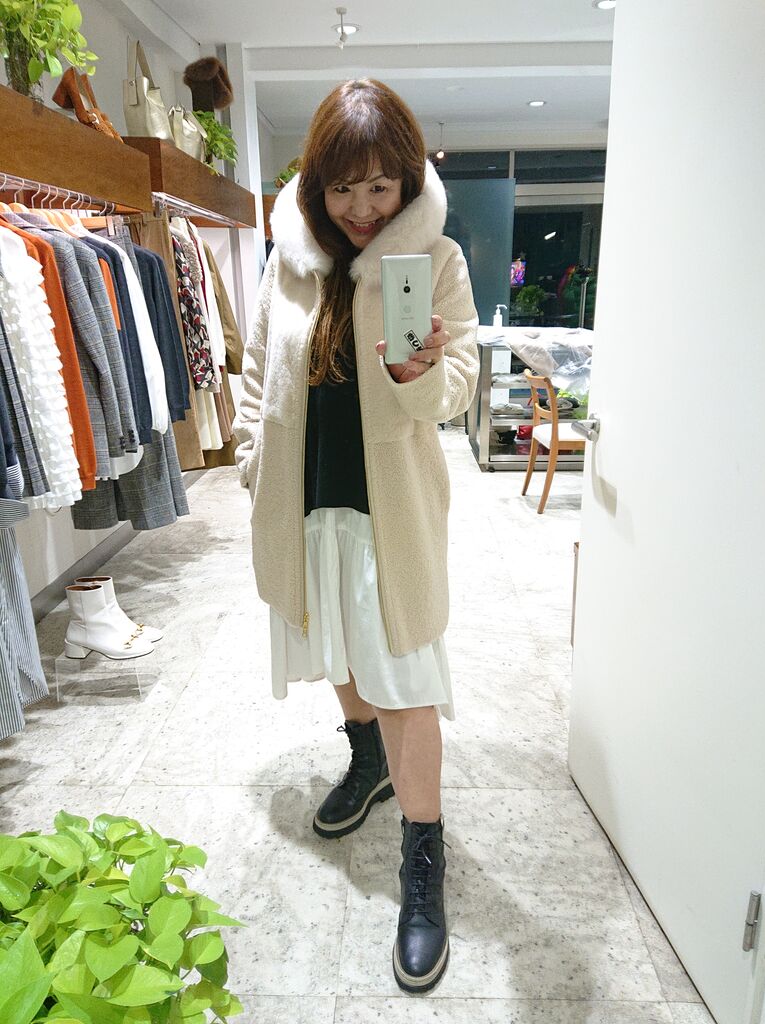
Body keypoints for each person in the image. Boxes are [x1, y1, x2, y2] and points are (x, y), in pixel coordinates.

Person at [233, 78, 479, 993]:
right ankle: (365, 759)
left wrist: (421, 374)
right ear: (316, 187)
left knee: (405, 676)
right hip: (306, 500)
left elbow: (458, 384)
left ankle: (424, 853)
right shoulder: (288, 263)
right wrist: (253, 461)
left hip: (392, 510)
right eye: (343, 187)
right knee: (336, 643)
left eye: (380, 186)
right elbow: (256, 371)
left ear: (408, 179)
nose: (363, 207)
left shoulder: (436, 259)